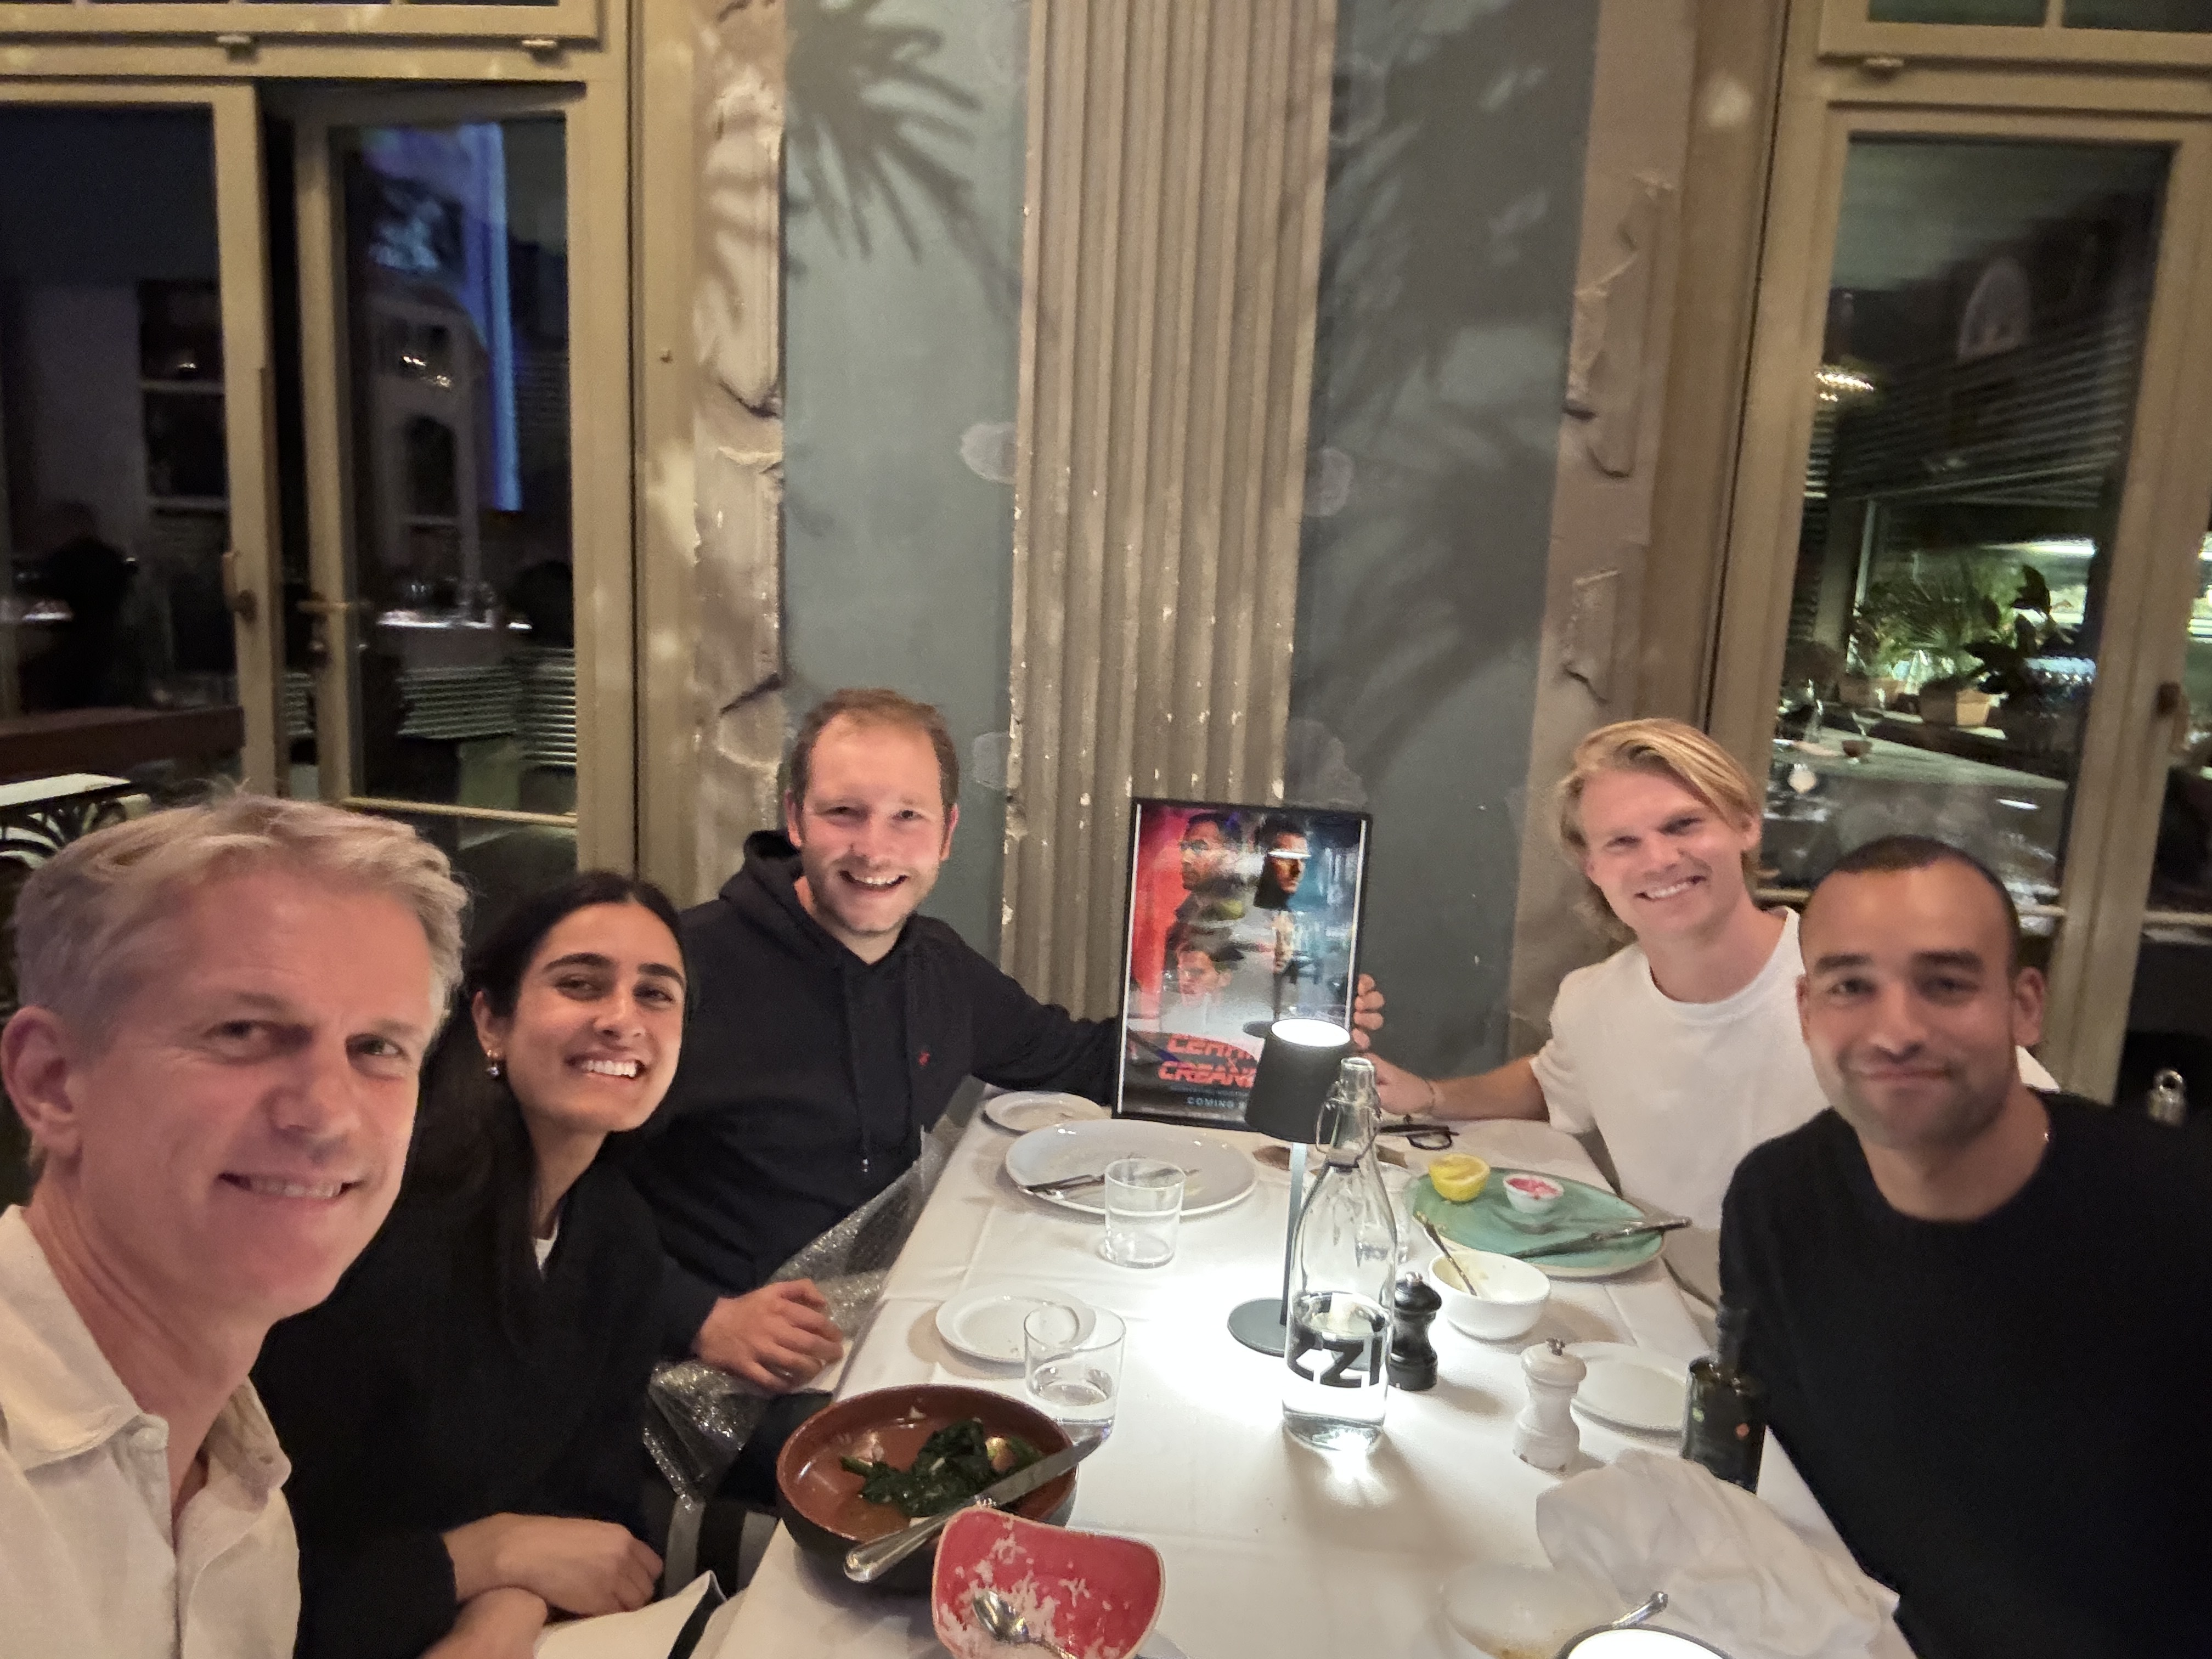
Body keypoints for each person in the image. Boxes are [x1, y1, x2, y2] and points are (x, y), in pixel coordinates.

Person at [625, 687, 1384, 1395]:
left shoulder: (938, 968)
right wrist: (699, 1317)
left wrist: (1277, 1025)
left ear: (948, 833)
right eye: (844, 813)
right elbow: (566, 1184)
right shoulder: (679, 975)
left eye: (907, 817)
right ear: (795, 819)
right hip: (712, 1363)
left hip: (879, 1317)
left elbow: (1085, 1058)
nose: (875, 850)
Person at [1719, 837, 2211, 1659]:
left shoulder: (2182, 1222)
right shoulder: (1777, 1205)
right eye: (1851, 987)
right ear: (1806, 1011)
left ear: (2025, 1005)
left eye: (1945, 984)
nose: (1896, 1031)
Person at [0, 797, 466, 1659]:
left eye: (377, 1049)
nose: (327, 1114)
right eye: (244, 1032)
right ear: (53, 1082)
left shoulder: (241, 1493)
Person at [1361, 719, 2055, 1245]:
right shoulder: (1593, 998)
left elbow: (2028, 1132)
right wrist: (1431, 1095)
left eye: (1684, 826)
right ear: (1592, 867)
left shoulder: (1855, 994)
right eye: (1623, 842)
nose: (1660, 860)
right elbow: (1553, 1083)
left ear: (1746, 825)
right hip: (1664, 1316)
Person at [256, 873, 681, 1659]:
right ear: (490, 1021)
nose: (623, 1020)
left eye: (656, 995)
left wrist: (514, 1602)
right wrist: (487, 1559)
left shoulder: (618, 1235)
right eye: (581, 984)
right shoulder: (375, 1231)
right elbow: (255, 1570)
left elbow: (602, 1518)